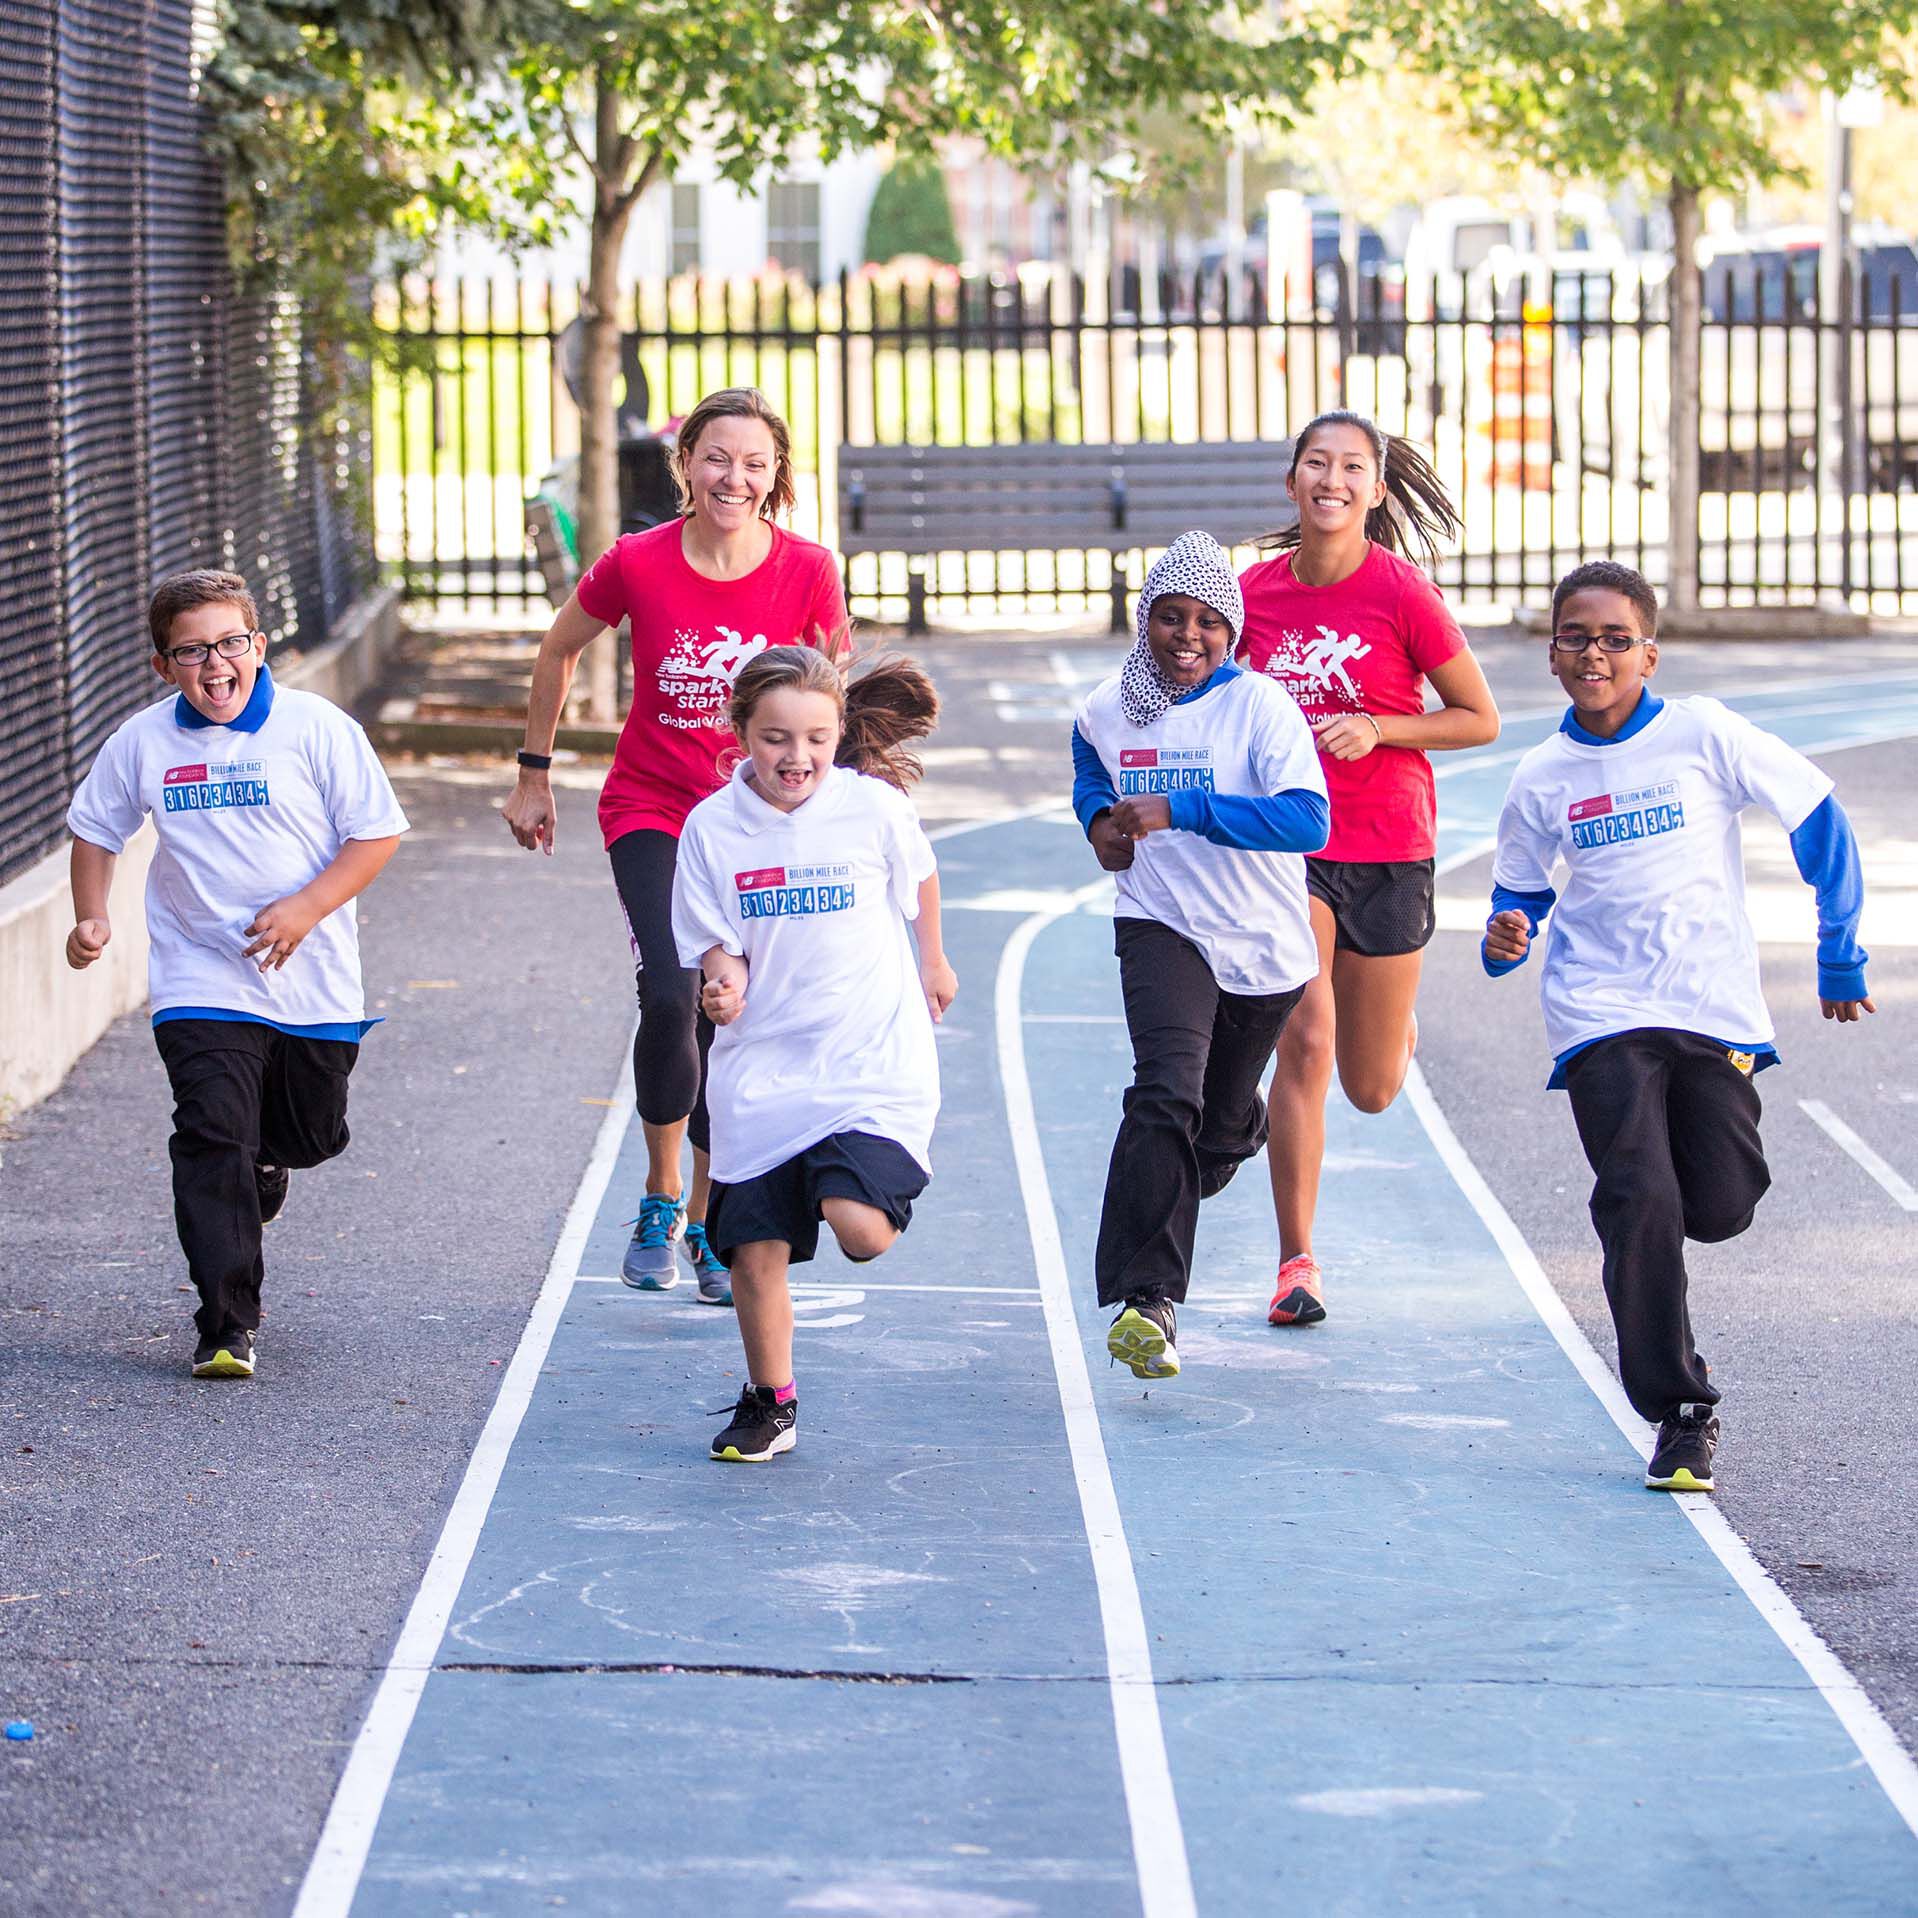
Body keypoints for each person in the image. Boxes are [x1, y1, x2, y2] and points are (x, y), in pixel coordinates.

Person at [1483, 560, 1872, 1491]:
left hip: (1709, 1008)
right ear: (1551, 653)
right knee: (1636, 1198)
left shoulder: (1704, 735)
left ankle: (1665, 1223)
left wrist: (1840, 952)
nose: (1595, 654)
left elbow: (1817, 813)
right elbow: (1518, 904)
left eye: (1617, 639)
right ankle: (1681, 1408)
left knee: (1720, 1204)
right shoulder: (1541, 777)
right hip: (1598, 1013)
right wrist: (1506, 938)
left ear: (1649, 655)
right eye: (1576, 636)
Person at [503, 388, 848, 1305]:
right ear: (686, 462)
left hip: (749, 823)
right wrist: (534, 772)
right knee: (669, 986)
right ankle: (659, 1195)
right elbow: (556, 650)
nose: (735, 477)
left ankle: (705, 1214)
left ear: (776, 478)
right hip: (653, 807)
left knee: (722, 1008)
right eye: (717, 458)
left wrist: (847, 815)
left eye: (756, 464)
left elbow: (830, 705)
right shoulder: (636, 562)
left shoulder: (809, 570)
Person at [64, 569, 408, 1379]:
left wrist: (304, 908)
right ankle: (226, 1322)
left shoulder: (315, 728)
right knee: (213, 1131)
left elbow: (375, 836)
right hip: (200, 973)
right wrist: (91, 916)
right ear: (163, 666)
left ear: (257, 646)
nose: (213, 665)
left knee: (310, 1133)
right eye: (190, 652)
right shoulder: (143, 742)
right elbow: (94, 829)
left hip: (312, 980)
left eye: (228, 644)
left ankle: (269, 1161)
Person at [1237, 410, 1499, 1328]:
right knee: (1304, 1040)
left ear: (1376, 489)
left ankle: (1392, 1027)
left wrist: (1380, 725)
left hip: (1390, 845)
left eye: (1353, 467)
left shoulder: (1402, 593)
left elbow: (1479, 718)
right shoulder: (1253, 596)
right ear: (1293, 479)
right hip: (1290, 850)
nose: (1332, 480)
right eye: (1317, 462)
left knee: (1371, 1085)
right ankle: (1296, 1263)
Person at [672, 645, 956, 1462]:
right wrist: (721, 987)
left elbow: (922, 874)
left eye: (816, 740)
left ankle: (864, 1171)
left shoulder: (873, 810)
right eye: (775, 739)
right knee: (752, 1252)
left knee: (861, 1231)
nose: (797, 759)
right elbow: (713, 945)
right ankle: (771, 1403)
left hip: (868, 1056)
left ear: (838, 735)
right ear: (740, 735)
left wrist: (932, 958)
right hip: (761, 1067)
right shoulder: (712, 829)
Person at [1072, 531, 1330, 1382]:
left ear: (1234, 629)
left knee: (1212, 1132)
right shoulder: (1103, 711)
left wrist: (1182, 809)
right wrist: (1102, 830)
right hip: (1161, 921)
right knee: (1161, 1093)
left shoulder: (1261, 708)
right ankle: (1148, 1300)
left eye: (1208, 622)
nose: (1188, 637)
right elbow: (1094, 790)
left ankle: (1237, 1126)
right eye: (1170, 619)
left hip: (1261, 946)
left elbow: (1306, 821)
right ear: (1144, 622)